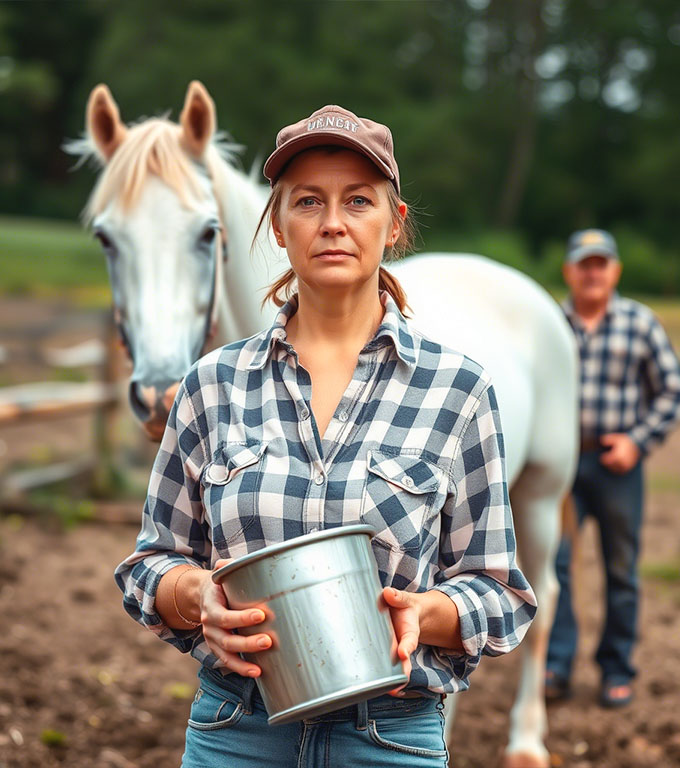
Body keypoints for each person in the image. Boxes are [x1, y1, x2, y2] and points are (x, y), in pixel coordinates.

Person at [115, 104, 537, 767]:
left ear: (393, 224)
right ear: (277, 227)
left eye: (358, 201)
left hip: (392, 736)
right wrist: (195, 598)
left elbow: (500, 591)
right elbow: (150, 564)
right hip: (236, 730)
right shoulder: (212, 385)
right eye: (307, 201)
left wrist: (422, 614)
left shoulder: (459, 393)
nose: (333, 222)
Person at [546, 229, 680, 708]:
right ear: (569, 271)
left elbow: (671, 390)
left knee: (621, 568)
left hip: (618, 463)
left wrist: (637, 442)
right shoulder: (550, 325)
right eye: (584, 264)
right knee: (556, 566)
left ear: (615, 270)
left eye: (601, 264)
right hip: (561, 467)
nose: (593, 272)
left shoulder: (639, 324)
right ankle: (556, 665)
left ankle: (616, 668)